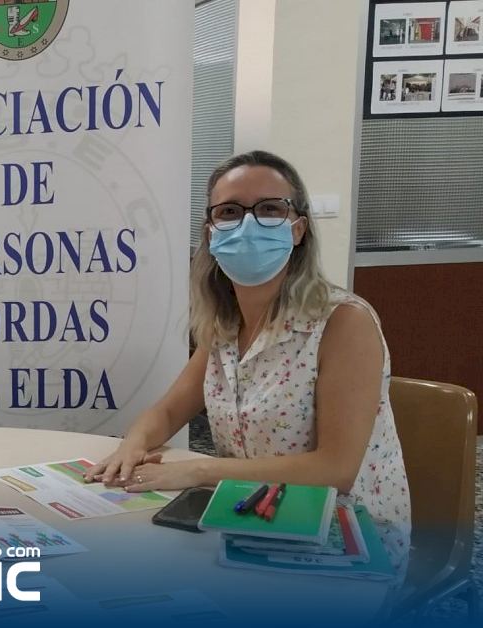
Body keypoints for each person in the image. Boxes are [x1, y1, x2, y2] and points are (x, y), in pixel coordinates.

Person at [84, 150, 411, 570]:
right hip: (247, 516)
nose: (248, 224)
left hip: (346, 535)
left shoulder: (344, 323)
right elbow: (166, 412)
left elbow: (336, 469)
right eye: (230, 212)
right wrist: (133, 445)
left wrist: (197, 471)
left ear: (298, 229)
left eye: (270, 209)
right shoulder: (225, 325)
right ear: (211, 233)